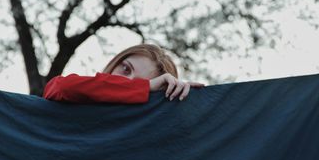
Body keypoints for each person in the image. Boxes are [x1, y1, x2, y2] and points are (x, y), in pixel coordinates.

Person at [43, 44, 204, 104]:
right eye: (126, 69)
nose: (127, 81)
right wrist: (146, 87)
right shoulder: (78, 96)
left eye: (142, 82)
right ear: (116, 62)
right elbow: (61, 87)